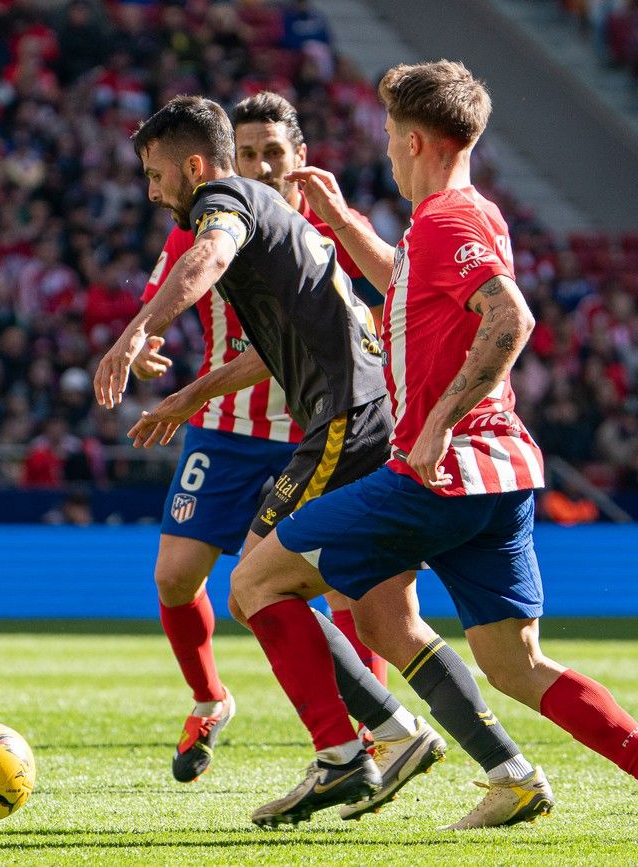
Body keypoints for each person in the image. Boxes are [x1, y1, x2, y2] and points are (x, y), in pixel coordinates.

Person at [194, 60, 638, 833]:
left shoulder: (446, 221)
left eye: (386, 135)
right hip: (499, 478)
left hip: (437, 474)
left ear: (414, 141)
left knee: (253, 585)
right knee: (505, 661)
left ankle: (348, 752)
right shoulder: (469, 216)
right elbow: (415, 291)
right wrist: (345, 228)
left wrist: (437, 423)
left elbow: (510, 319)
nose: (382, 149)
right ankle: (631, 774)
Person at [95, 95, 546, 829]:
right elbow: (280, 350)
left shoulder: (225, 205)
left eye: (155, 174)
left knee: (252, 585)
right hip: (357, 418)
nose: (151, 191)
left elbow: (208, 256)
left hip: (344, 422)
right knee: (374, 615)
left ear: (196, 167)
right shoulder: (286, 230)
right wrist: (188, 395)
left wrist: (135, 331)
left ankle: (352, 747)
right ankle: (486, 762)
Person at [127, 92, 387, 786]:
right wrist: (146, 341)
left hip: (316, 427)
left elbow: (345, 330)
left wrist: (184, 389)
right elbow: (166, 289)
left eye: (275, 152)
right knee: (175, 576)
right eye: (247, 154)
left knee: (342, 590)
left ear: (300, 158)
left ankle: (364, 731)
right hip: (225, 433)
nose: (262, 164)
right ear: (221, 160)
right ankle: (210, 699)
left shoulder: (328, 231)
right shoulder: (201, 220)